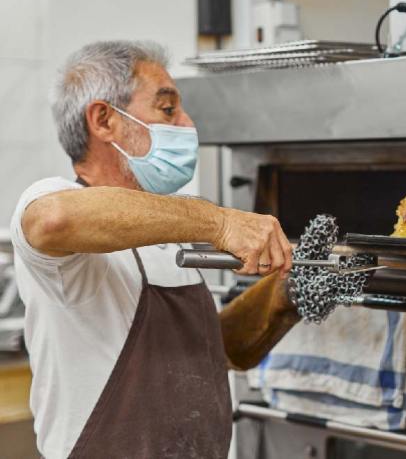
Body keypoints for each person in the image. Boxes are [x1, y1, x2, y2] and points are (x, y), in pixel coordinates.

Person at [10, 40, 301, 458]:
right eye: (168, 110)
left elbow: (217, 353)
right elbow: (54, 218)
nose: (187, 125)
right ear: (104, 120)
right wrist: (219, 221)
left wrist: (287, 293)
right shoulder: (56, 204)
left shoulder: (168, 236)